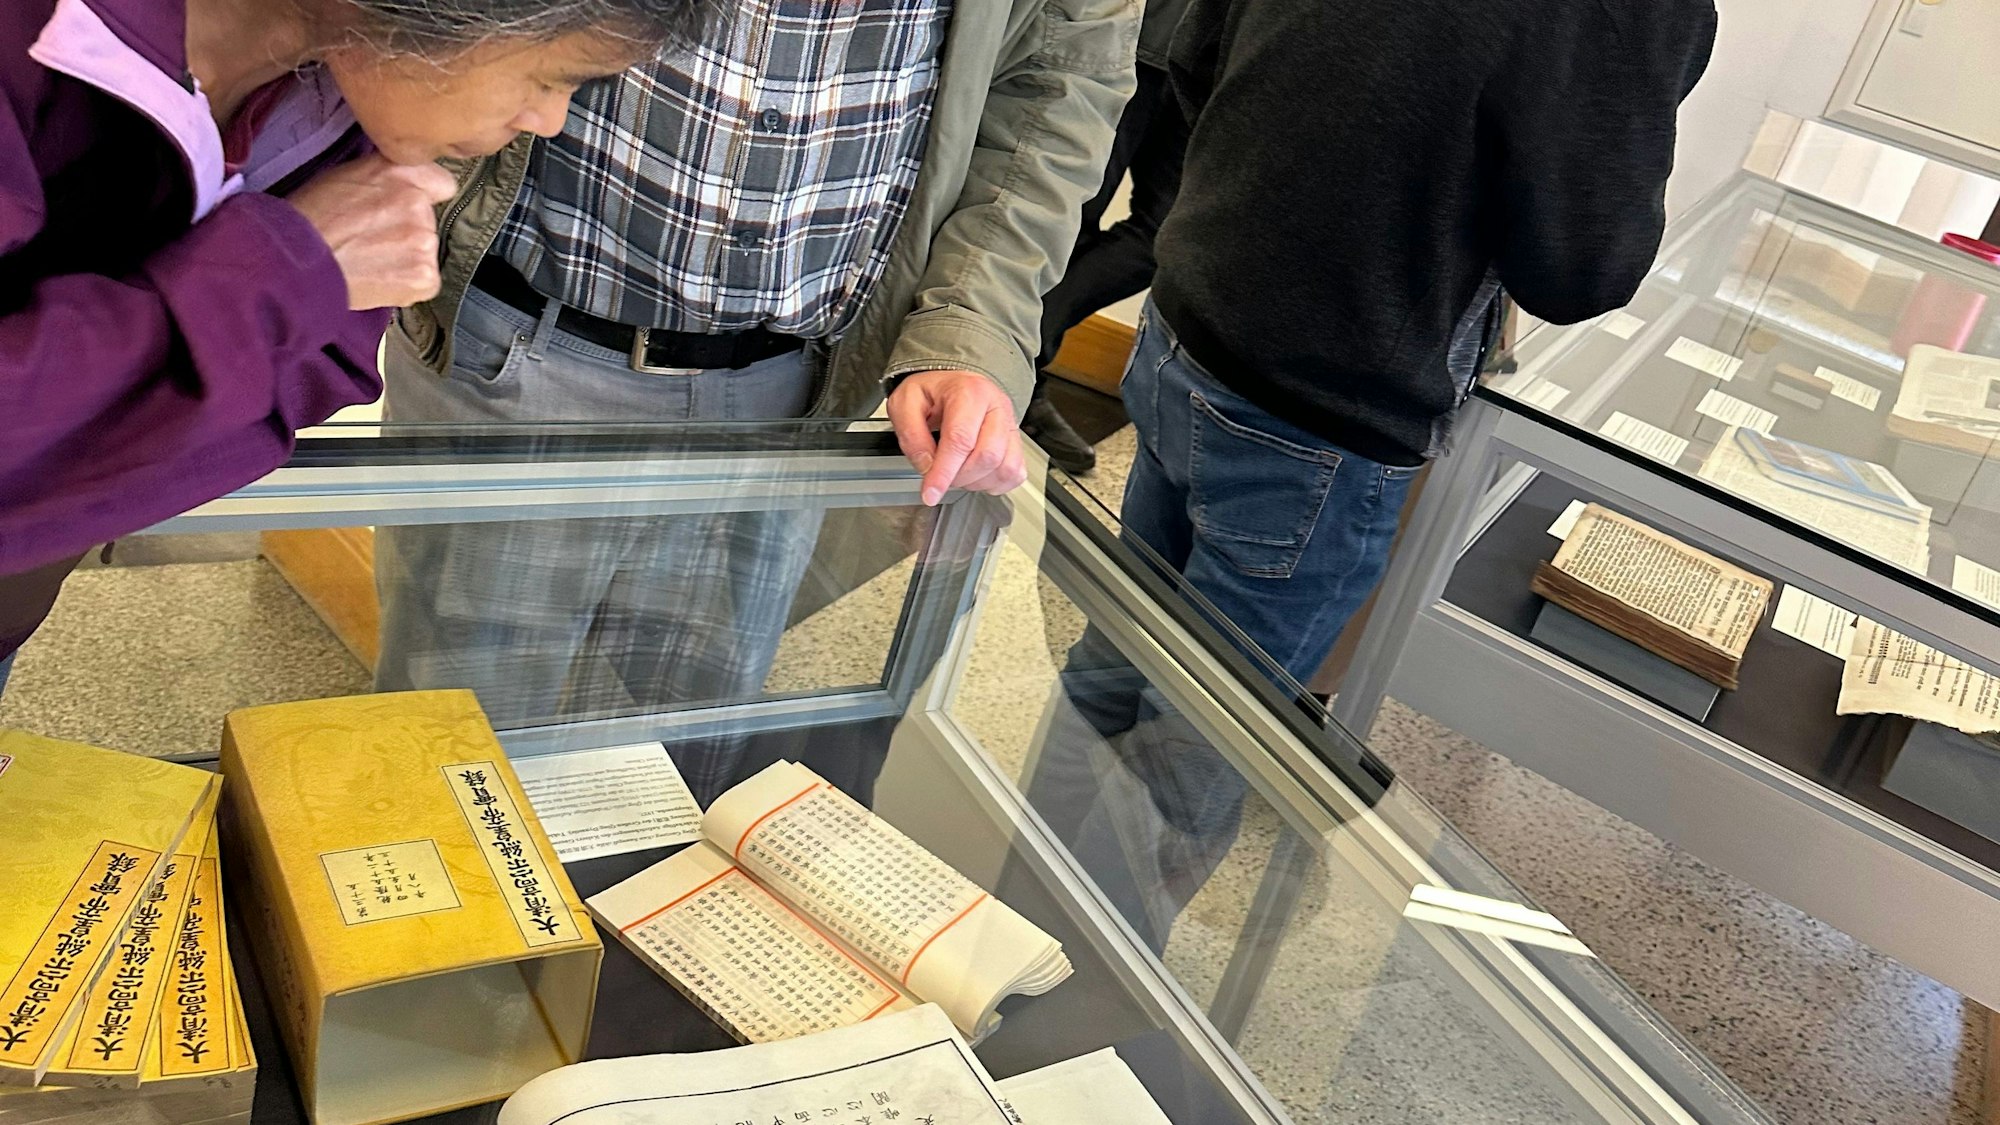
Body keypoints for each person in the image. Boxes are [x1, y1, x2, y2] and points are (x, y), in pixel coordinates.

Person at [1029, 0, 1719, 946]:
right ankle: (1072, 986)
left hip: (1191, 322)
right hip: (1324, 408)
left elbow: (1196, 51)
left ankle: (1004, 928)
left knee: (1113, 666)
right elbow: (1580, 268)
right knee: (1195, 747)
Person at [371, 0, 1137, 798]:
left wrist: (972, 327)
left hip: (791, 398)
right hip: (523, 345)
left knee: (675, 778)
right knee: (454, 767)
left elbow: (1061, 83)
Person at [0, 0, 706, 692]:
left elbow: (316, 369)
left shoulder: (345, 104)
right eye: (550, 79)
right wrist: (285, 274)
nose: (549, 121)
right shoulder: (28, 42)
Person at [1021, 0, 1192, 476]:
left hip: (1204, 61)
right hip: (1122, 35)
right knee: (1067, 222)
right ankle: (1020, 380)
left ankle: (1021, 354)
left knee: (1167, 237)